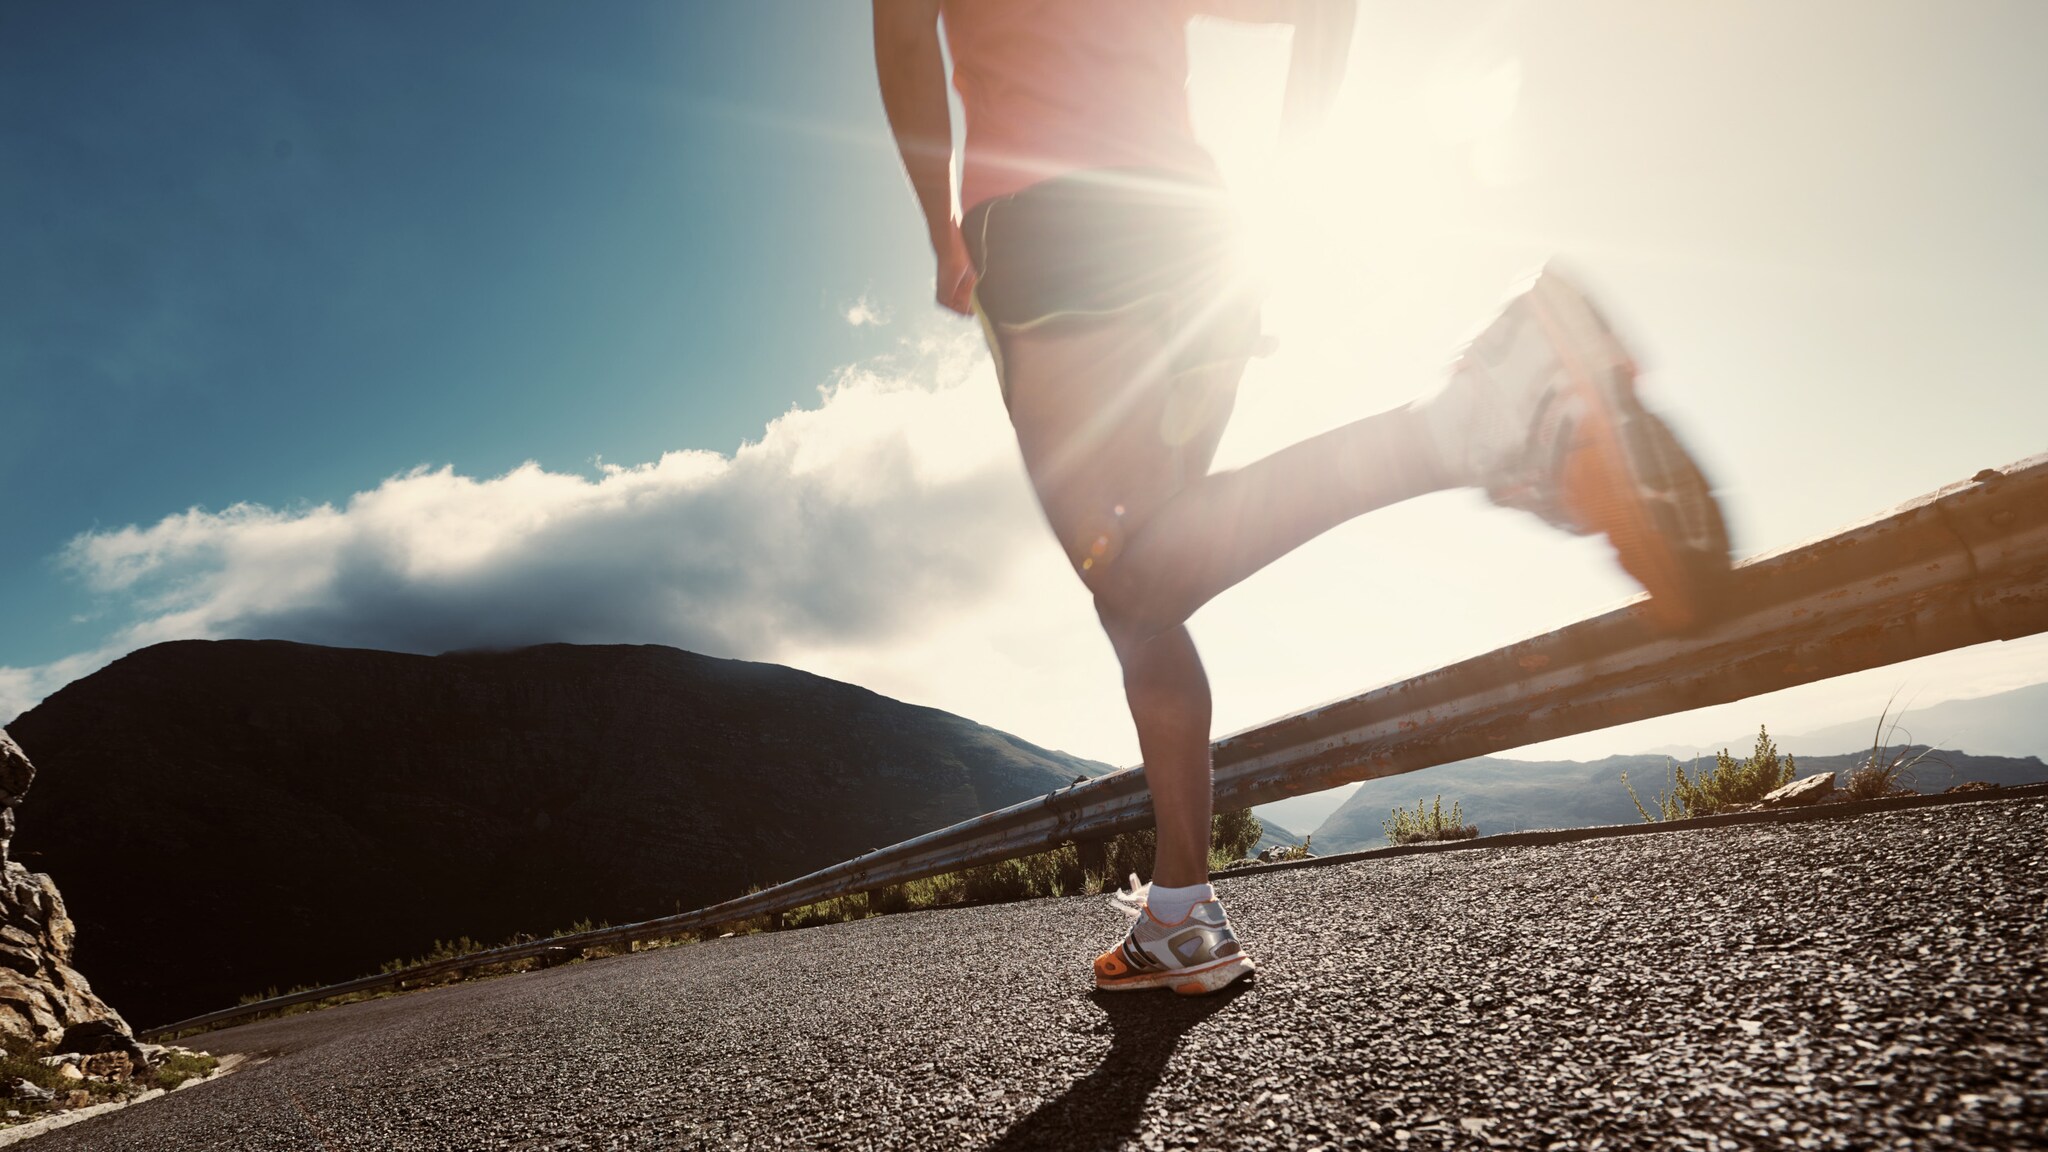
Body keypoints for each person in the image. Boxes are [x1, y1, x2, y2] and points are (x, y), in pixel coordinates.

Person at [872, 0, 1728, 996]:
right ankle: (1181, 918)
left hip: (1050, 219)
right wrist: (1291, 179)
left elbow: (900, 34)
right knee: (1139, 593)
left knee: (1134, 570)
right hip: (1198, 242)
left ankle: (1475, 416)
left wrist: (939, 227)